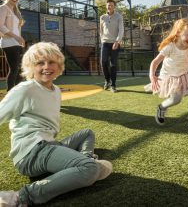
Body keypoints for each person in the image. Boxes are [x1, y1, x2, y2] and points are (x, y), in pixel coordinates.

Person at [0, 42, 112, 206]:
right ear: (30, 67)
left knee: (87, 133)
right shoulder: (25, 89)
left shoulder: (56, 90)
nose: (47, 67)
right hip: (31, 151)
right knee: (89, 169)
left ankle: (85, 159)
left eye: (51, 62)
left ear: (59, 66)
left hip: (49, 145)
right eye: (40, 63)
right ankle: (20, 197)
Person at [0, 0, 25, 91]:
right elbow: (0, 26)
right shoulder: (3, 8)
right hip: (8, 42)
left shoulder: (16, 11)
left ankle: (17, 93)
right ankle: (10, 94)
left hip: (17, 43)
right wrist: (16, 37)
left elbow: (16, 29)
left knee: (20, 69)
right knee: (14, 69)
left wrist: (20, 39)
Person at [99, 0, 124, 93]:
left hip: (115, 43)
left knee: (113, 65)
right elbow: (101, 31)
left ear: (114, 6)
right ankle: (107, 80)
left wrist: (117, 41)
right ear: (106, 6)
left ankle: (113, 85)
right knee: (103, 62)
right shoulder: (102, 17)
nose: (109, 6)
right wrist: (102, 40)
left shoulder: (119, 17)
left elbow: (121, 30)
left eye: (111, 5)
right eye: (108, 5)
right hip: (105, 43)